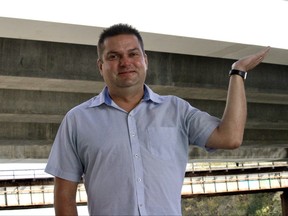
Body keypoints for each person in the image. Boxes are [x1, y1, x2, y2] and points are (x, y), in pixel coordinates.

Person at [45, 23, 270, 216]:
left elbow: (230, 138)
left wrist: (238, 73)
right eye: (113, 56)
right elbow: (65, 197)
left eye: (133, 54)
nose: (125, 62)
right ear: (100, 66)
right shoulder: (77, 120)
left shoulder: (177, 109)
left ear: (145, 59)